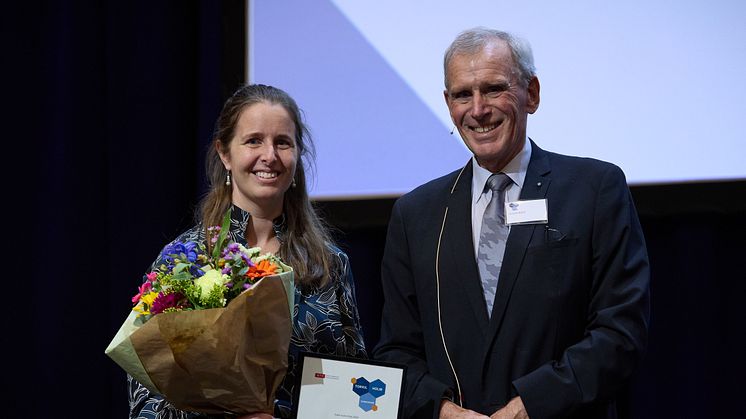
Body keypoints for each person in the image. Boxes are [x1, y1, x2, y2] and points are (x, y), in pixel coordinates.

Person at [373, 28, 650, 419]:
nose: (478, 109)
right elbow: (396, 350)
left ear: (531, 94)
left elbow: (620, 332)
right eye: (462, 94)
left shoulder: (594, 190)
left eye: (493, 88)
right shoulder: (416, 213)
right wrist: (444, 411)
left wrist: (529, 406)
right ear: (447, 103)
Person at [128, 84, 368, 419]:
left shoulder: (329, 264)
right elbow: (147, 397)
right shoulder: (184, 259)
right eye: (254, 140)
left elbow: (356, 391)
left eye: (282, 142)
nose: (269, 155)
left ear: (297, 155)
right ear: (225, 153)